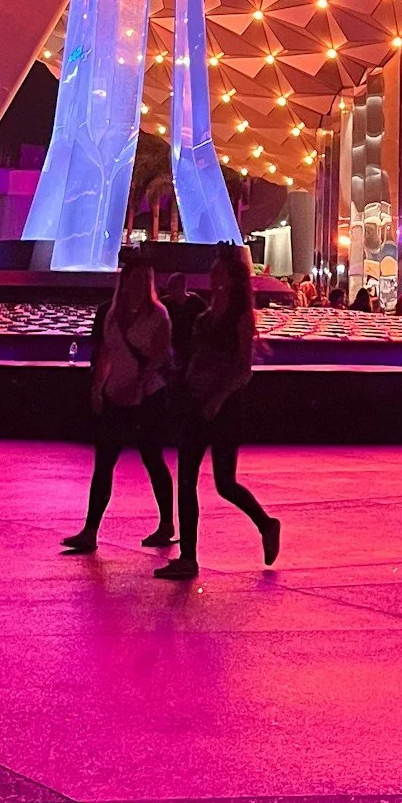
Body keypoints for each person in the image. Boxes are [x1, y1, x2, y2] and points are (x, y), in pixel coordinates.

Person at [155, 242, 281, 580]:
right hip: (196, 403)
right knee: (187, 479)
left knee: (225, 483)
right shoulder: (206, 313)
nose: (211, 274)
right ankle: (188, 556)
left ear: (229, 276)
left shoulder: (238, 315)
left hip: (223, 407)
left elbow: (243, 367)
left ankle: (266, 524)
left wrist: (217, 398)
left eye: (217, 269)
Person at [63, 252, 176, 554]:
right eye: (135, 279)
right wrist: (99, 387)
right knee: (104, 463)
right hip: (116, 394)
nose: (139, 285)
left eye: (145, 280)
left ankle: (167, 524)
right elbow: (105, 354)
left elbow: (159, 358)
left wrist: (135, 388)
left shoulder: (158, 315)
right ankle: (90, 530)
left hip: (147, 397)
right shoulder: (110, 314)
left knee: (152, 459)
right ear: (124, 282)